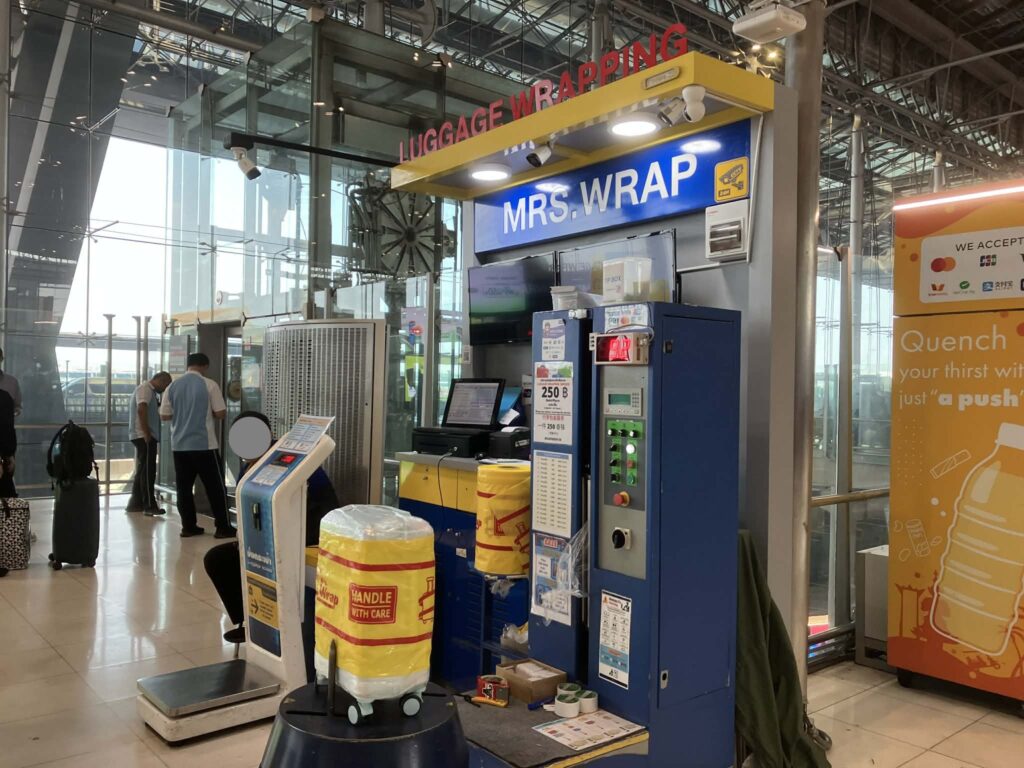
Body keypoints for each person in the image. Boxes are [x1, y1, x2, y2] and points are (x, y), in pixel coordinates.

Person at [204, 453, 340, 642]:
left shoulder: (295, 463)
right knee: (217, 559)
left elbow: (325, 508)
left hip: (303, 538)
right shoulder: (248, 467)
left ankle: (277, 623)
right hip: (265, 538)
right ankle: (248, 620)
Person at [160, 352, 234, 538]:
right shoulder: (209, 385)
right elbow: (221, 413)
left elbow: (165, 416)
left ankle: (189, 527)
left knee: (183, 489)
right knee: (215, 487)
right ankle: (223, 527)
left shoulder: (172, 386)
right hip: (205, 446)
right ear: (205, 366)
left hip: (180, 447)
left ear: (188, 365)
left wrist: (183, 414)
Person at [126, 371, 172, 515]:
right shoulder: (145, 389)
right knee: (148, 472)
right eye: (165, 385)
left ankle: (135, 503)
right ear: (160, 380)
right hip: (143, 435)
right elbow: (141, 409)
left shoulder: (147, 390)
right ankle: (149, 506)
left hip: (142, 435)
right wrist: (146, 433)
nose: (165, 389)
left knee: (142, 471)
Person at [0, 347, 21, 500]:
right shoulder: (6, 393)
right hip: (6, 444)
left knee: (6, 487)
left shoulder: (11, 383)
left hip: (6, 444)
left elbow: (17, 408)